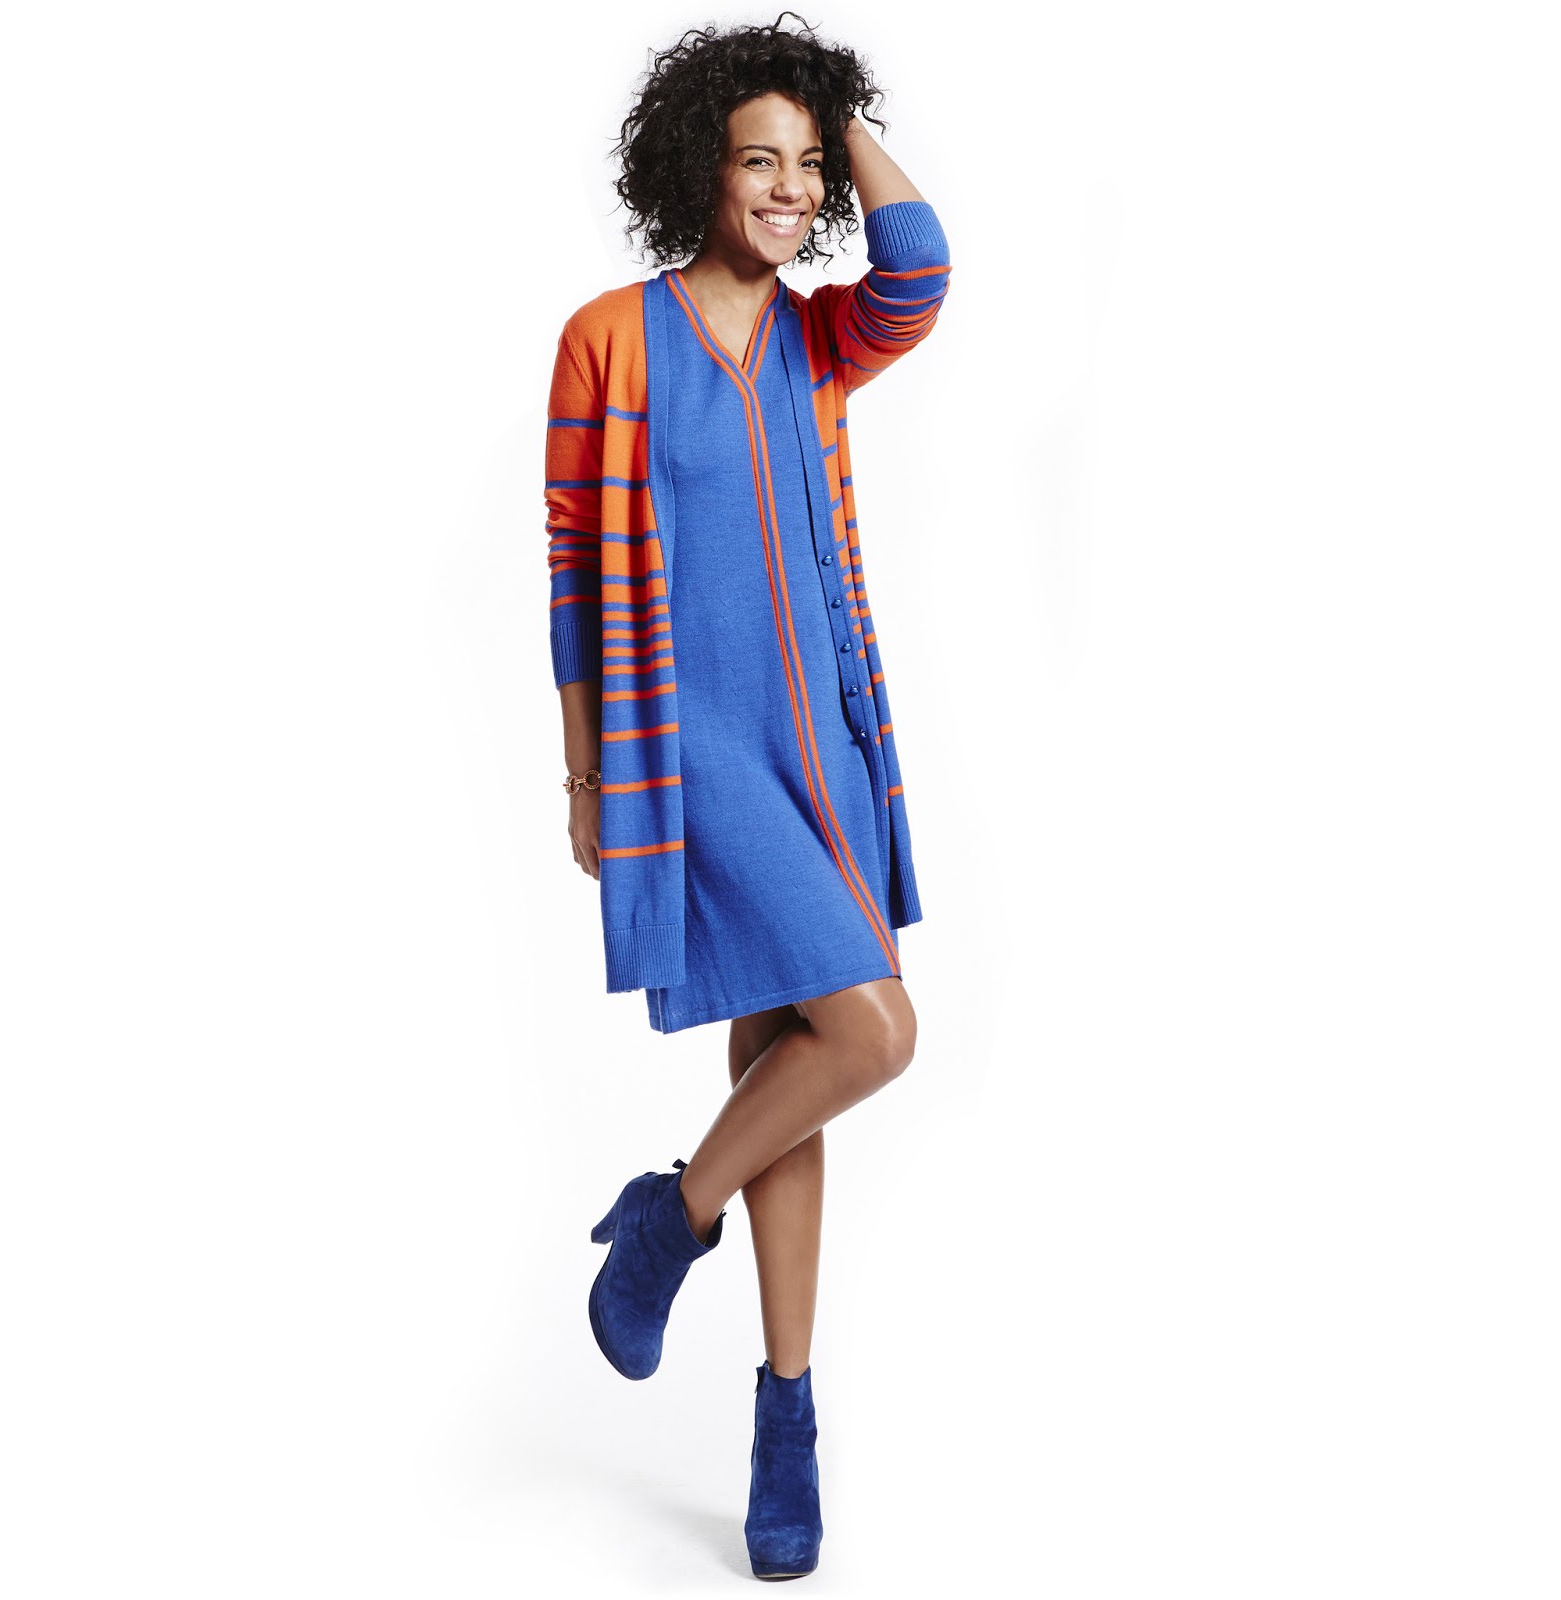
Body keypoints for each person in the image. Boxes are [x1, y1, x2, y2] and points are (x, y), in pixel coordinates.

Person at [542, 14, 951, 1580]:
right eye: (755, 159)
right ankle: (672, 1226)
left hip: (825, 750)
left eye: (805, 169)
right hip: (694, 759)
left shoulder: (824, 338)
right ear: (694, 169)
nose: (786, 191)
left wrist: (837, 111)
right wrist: (587, 769)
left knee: (797, 1065)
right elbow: (573, 577)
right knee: (874, 1034)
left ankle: (780, 1409)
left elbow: (921, 264)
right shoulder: (608, 337)